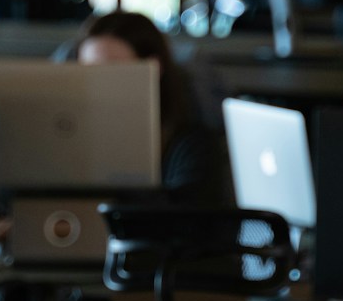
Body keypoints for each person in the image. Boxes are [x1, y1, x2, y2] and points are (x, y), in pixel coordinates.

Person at [72, 12, 231, 207]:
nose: (98, 83)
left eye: (112, 70)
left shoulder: (192, 145)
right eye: (88, 71)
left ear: (154, 68)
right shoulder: (72, 141)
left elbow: (189, 221)